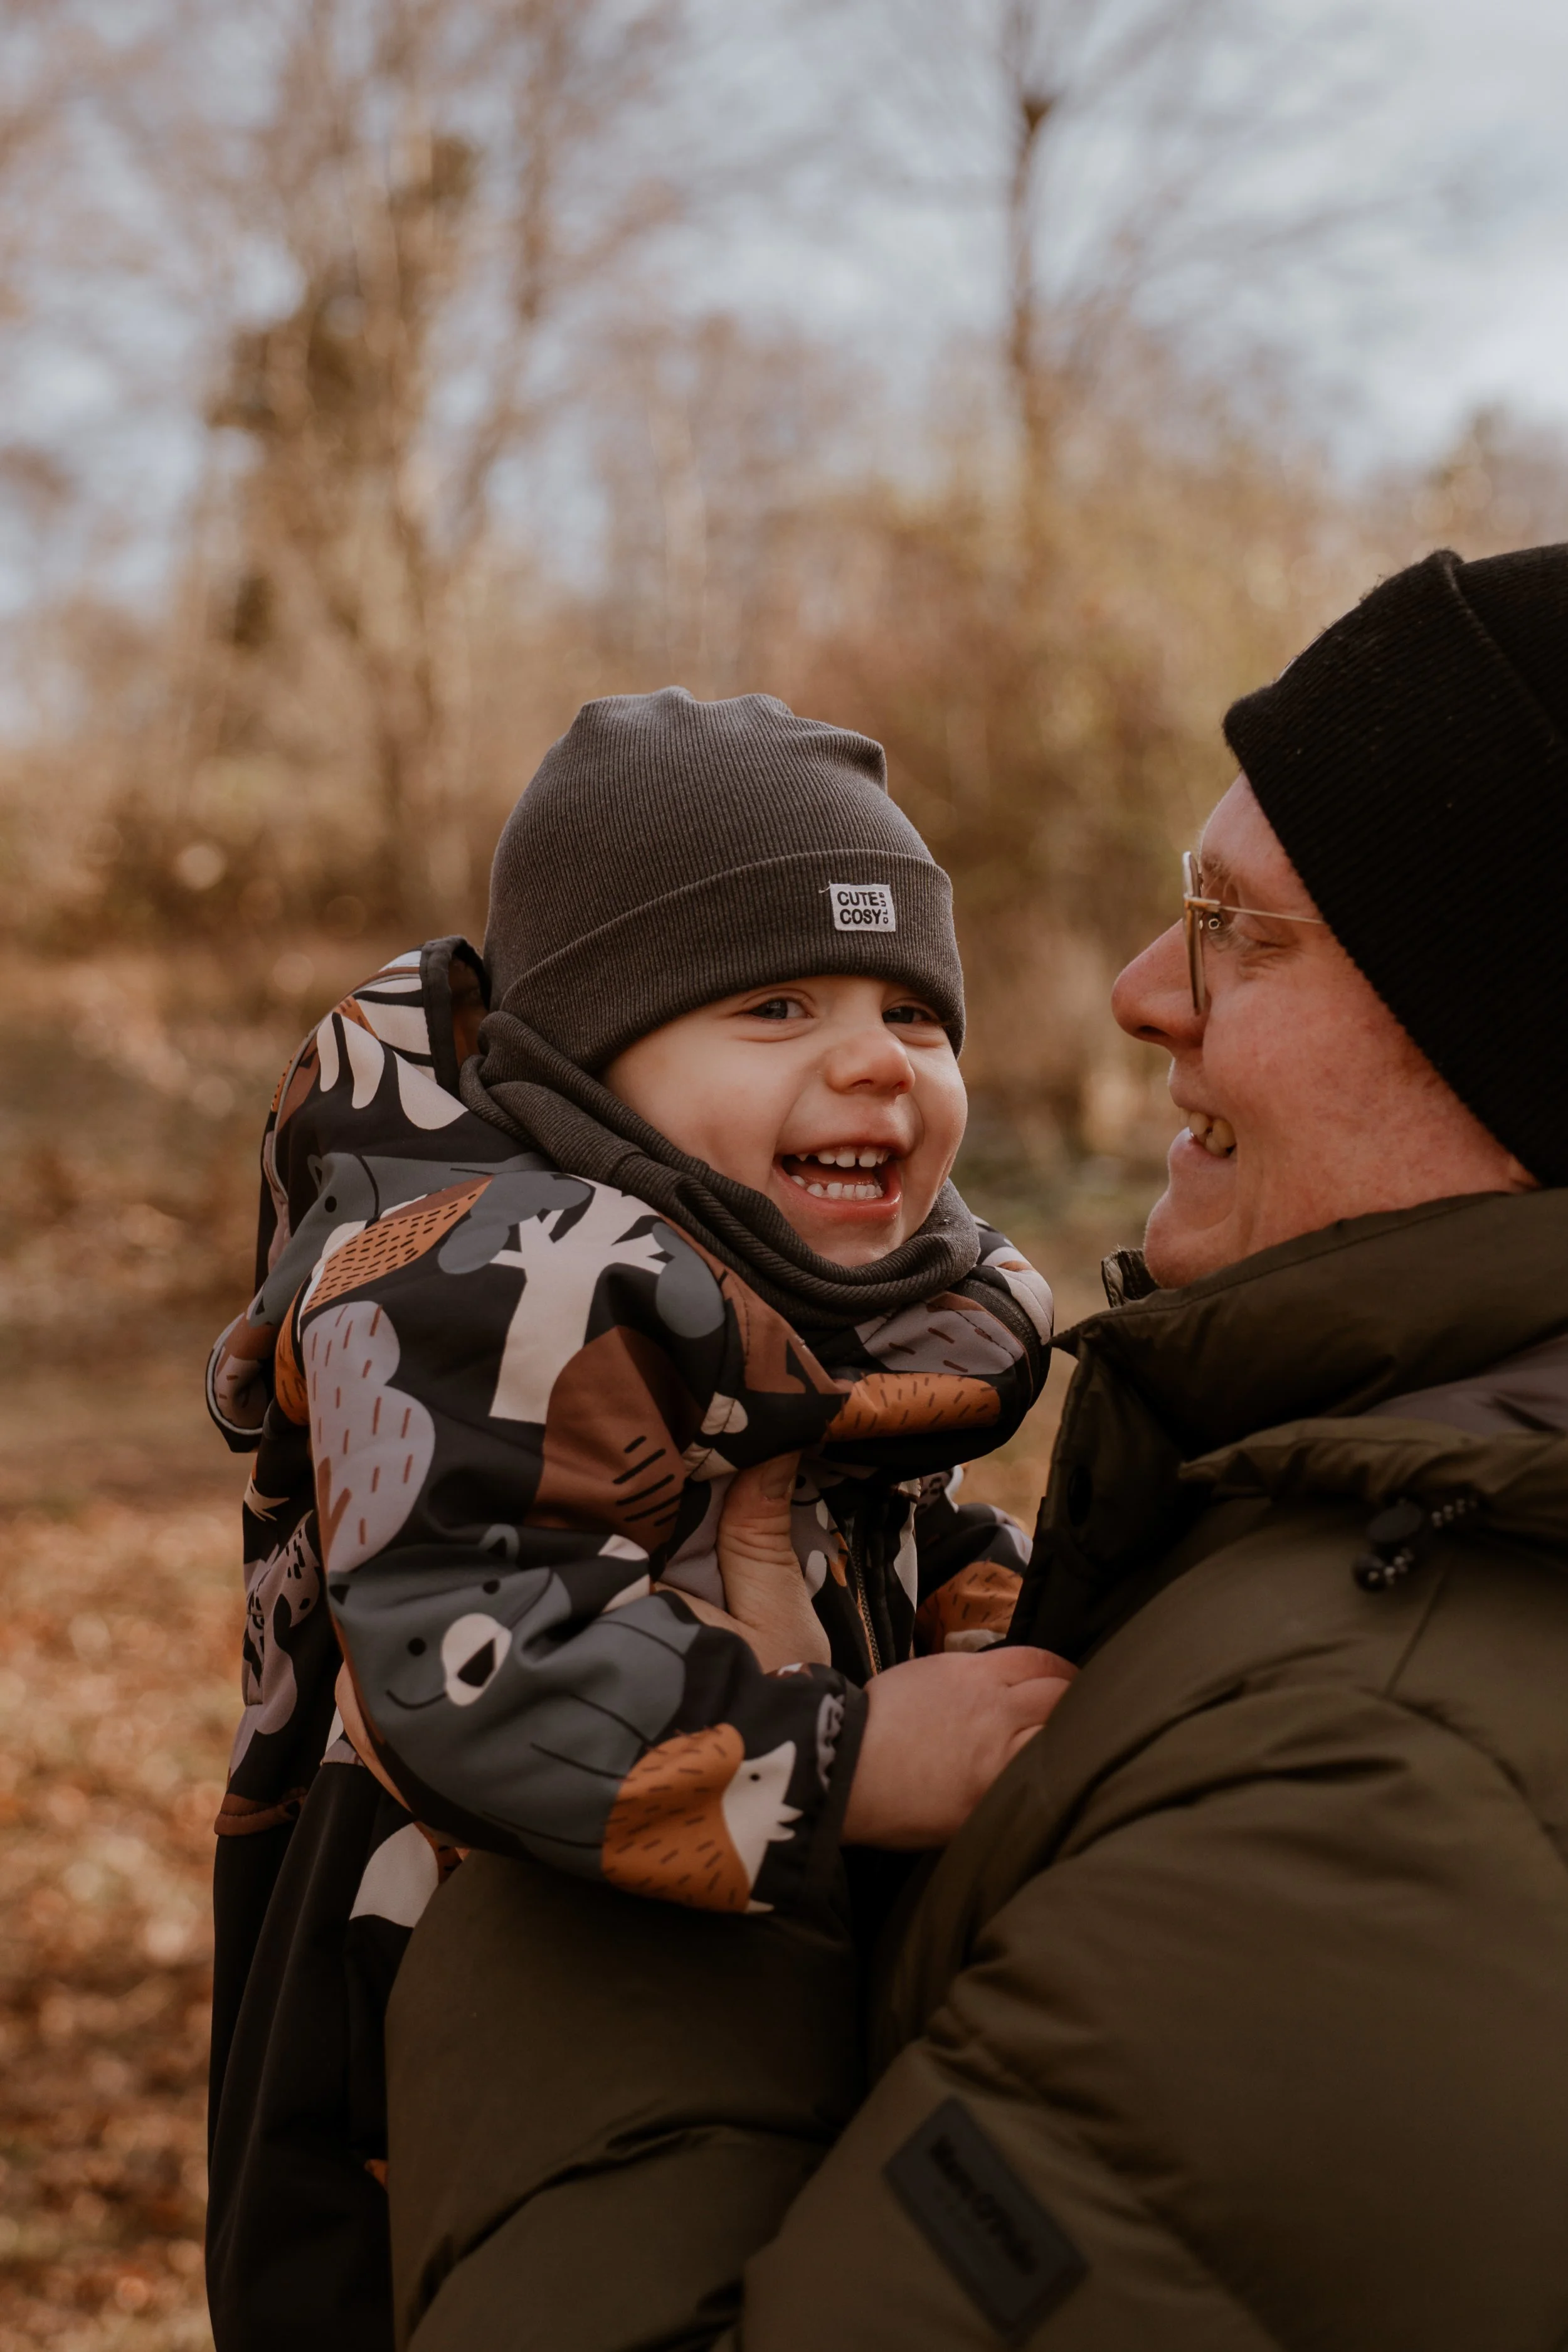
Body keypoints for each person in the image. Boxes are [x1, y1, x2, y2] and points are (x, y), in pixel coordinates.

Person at [386, 543, 1568, 2352]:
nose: (1137, 988)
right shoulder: (1333, 1509)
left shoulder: (1376, 1770)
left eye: (1242, 927)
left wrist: (641, 1865)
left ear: (1510, 1034)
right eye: (772, 1006)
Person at [201, 687, 1070, 2350]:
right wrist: (845, 1757)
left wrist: (1001, 1636)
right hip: (432, 2031)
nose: (875, 1058)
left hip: (721, 1992)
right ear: (585, 1066)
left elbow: (906, 1533)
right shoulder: (479, 1285)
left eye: (915, 1011)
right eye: (774, 1005)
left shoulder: (823, 1300)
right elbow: (475, 1655)